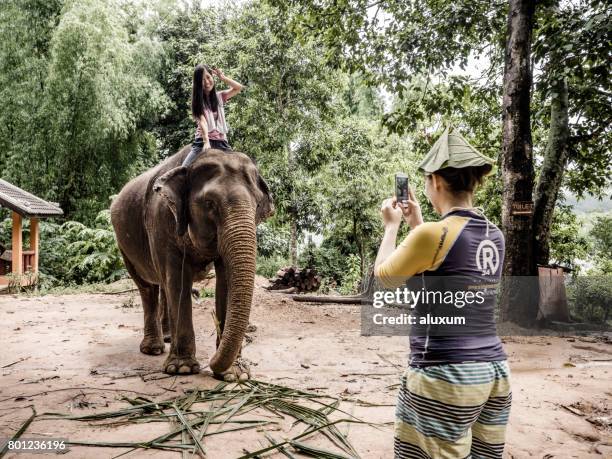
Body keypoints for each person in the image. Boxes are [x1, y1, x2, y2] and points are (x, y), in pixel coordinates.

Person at [374, 126, 512, 459]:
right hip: (493, 374)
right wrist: (417, 221)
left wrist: (392, 226)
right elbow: (443, 267)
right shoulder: (495, 235)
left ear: (436, 180)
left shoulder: (433, 235)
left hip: (443, 374)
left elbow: (384, 279)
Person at [182, 64, 243, 167]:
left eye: (208, 77)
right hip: (202, 142)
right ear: (198, 83)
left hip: (221, 142)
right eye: (202, 80)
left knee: (238, 168)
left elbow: (238, 88)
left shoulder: (220, 96)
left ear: (212, 76)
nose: (206, 82)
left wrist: (223, 78)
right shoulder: (197, 102)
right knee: (184, 168)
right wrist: (206, 141)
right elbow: (203, 121)